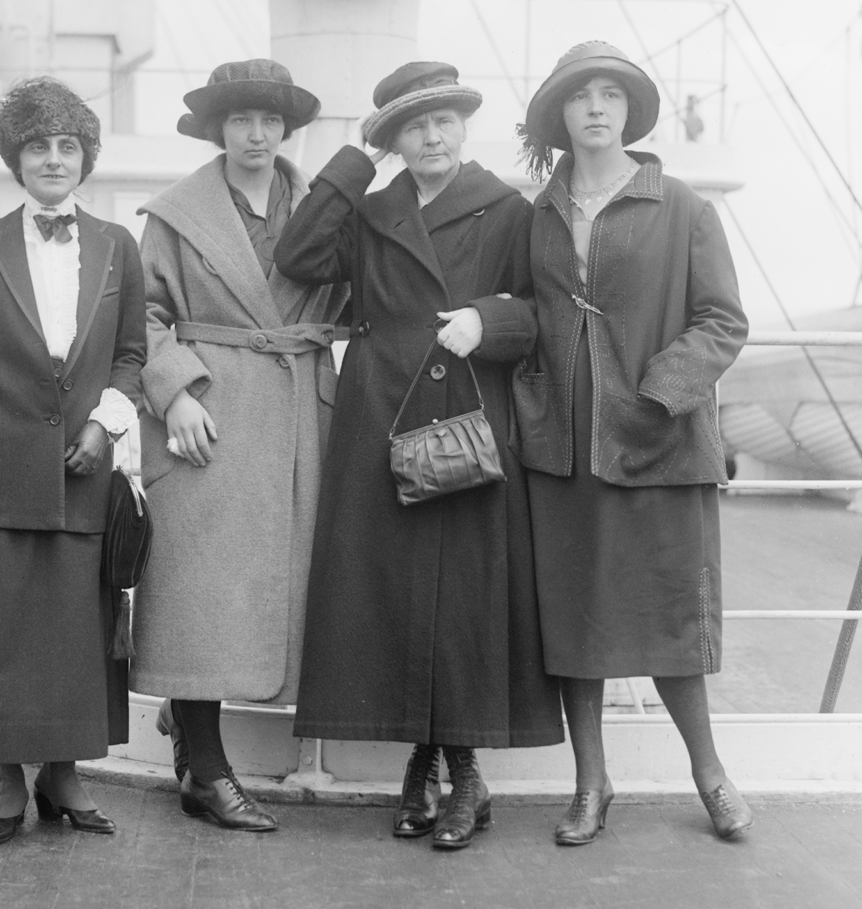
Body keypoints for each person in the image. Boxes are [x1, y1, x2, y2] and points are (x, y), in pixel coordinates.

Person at [273, 61, 564, 851]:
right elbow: (299, 257)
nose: (432, 136)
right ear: (392, 140)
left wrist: (487, 319)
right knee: (398, 592)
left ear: (464, 126)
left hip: (468, 415)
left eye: (443, 120)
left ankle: (462, 772)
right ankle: (421, 761)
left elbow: (541, 312)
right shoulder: (371, 210)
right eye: (413, 125)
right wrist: (352, 162)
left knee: (462, 597)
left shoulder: (507, 208)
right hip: (381, 415)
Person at [514, 41, 751, 844]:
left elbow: (722, 319)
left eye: (611, 95)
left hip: (659, 442)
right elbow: (523, 314)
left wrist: (660, 391)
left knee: (670, 619)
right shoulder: (537, 213)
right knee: (575, 623)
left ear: (627, 112)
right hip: (563, 450)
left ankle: (710, 774)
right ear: (562, 114)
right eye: (581, 96)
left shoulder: (682, 205)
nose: (596, 109)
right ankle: (591, 785)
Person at [0, 76, 146, 845]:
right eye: (38, 146)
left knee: (74, 625)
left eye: (67, 146)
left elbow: (133, 356)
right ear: (17, 159)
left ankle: (64, 771)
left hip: (81, 464)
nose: (53, 159)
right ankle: (6, 773)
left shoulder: (118, 245)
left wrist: (107, 426)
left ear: (86, 158)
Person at [130, 59, 348, 832]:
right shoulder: (176, 214)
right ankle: (207, 768)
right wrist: (176, 391)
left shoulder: (325, 206)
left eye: (268, 119)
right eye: (239, 120)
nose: (255, 134)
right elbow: (142, 314)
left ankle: (193, 738)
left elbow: (364, 295)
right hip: (207, 414)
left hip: (296, 408)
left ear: (287, 128)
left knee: (271, 584)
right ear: (216, 129)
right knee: (202, 589)